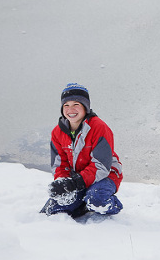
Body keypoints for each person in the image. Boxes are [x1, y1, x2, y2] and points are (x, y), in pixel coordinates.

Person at [41, 83, 124, 218]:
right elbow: (59, 164)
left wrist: (75, 183)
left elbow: (102, 166)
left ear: (85, 107)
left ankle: (111, 205)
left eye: (76, 104)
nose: (70, 109)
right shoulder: (57, 132)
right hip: (77, 178)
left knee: (96, 200)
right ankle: (80, 205)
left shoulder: (99, 127)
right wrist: (63, 183)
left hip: (106, 175)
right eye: (66, 105)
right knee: (53, 210)